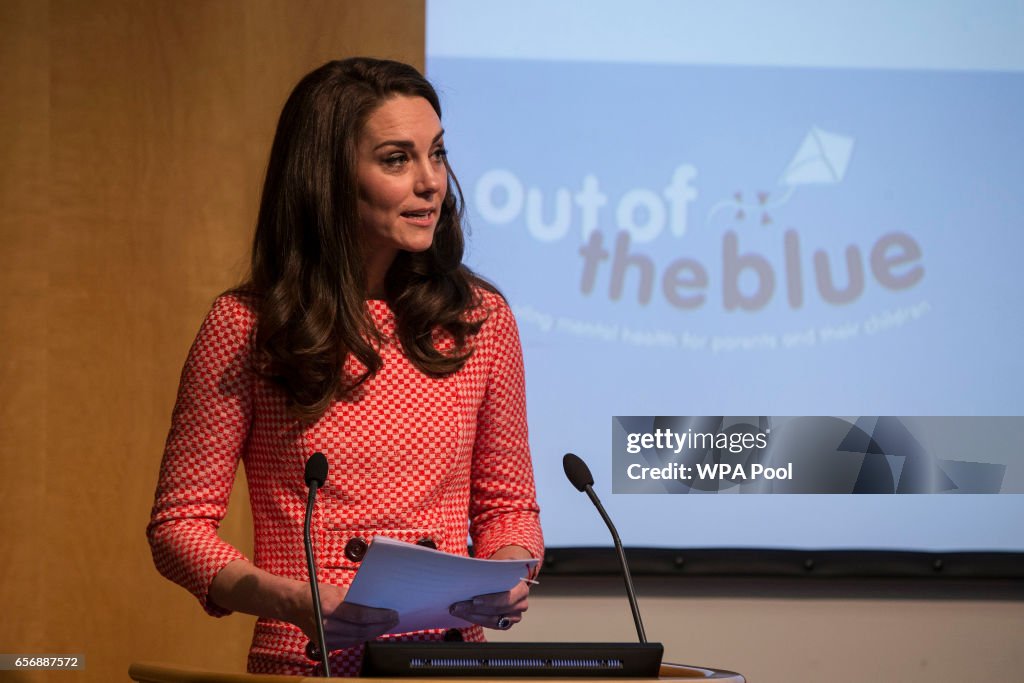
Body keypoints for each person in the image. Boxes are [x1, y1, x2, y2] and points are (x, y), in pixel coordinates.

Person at [147, 57, 544, 677]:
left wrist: (510, 570)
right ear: (329, 177)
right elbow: (179, 527)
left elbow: (509, 506)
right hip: (309, 663)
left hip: (445, 662)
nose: (430, 182)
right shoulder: (247, 326)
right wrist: (286, 599)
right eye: (396, 159)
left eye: (436, 154)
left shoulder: (479, 319)